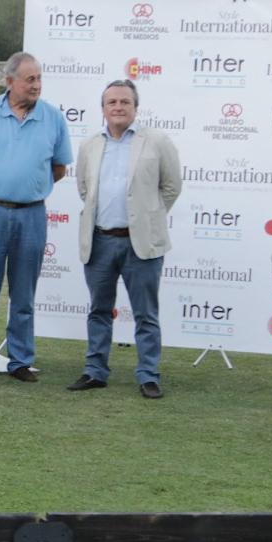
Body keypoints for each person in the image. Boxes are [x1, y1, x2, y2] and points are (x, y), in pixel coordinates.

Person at [0, 51, 72, 382]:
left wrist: (28, 188)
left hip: (31, 216)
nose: (36, 85)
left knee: (24, 292)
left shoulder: (53, 118)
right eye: (29, 79)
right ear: (9, 82)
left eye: (39, 78)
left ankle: (20, 360)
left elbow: (60, 168)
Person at [71, 80, 182, 399]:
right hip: (100, 240)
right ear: (103, 109)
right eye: (111, 102)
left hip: (141, 243)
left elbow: (171, 187)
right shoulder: (90, 145)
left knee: (146, 313)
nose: (118, 107)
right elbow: (84, 189)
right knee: (99, 310)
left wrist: (148, 217)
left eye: (124, 102)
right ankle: (95, 372)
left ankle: (148, 375)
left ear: (136, 106)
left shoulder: (157, 141)